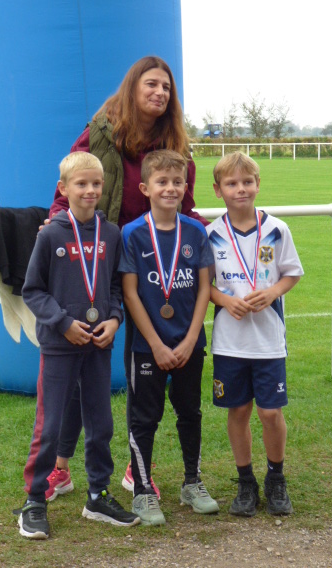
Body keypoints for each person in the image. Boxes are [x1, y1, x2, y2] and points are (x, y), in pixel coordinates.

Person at [45, 56, 208, 502]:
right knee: (83, 360)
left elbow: (185, 206)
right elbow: (73, 176)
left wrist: (207, 231)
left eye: (166, 87)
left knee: (146, 369)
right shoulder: (102, 131)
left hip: (154, 272)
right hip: (99, 261)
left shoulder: (176, 145)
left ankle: (139, 469)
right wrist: (57, 220)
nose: (160, 93)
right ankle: (60, 468)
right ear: (133, 87)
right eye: (151, 84)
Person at [15, 152, 140, 539]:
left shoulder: (111, 234)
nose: (89, 190)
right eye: (81, 184)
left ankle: (98, 495)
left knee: (101, 423)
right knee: (50, 425)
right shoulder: (51, 234)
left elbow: (116, 286)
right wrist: (63, 322)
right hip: (60, 345)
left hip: (98, 346)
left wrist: (114, 319)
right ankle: (34, 501)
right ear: (63, 188)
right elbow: (32, 290)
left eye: (96, 183)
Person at [119, 149, 219, 525]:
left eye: (178, 182)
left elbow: (204, 288)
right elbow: (130, 294)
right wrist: (157, 345)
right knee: (144, 418)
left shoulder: (195, 231)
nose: (170, 188)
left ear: (185, 187)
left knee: (190, 412)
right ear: (145, 188)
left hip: (189, 343)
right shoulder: (132, 233)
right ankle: (143, 491)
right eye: (162, 181)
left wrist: (191, 339)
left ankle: (192, 482)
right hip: (148, 347)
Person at [207, 151, 303, 517]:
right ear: (218, 190)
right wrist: (224, 301)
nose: (240, 189)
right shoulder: (211, 234)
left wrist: (272, 292)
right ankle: (245, 481)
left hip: (268, 342)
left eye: (247, 182)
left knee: (270, 412)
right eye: (231, 183)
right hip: (230, 342)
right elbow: (204, 285)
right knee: (238, 410)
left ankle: (276, 478)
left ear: (258, 185)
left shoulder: (277, 229)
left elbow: (291, 273)